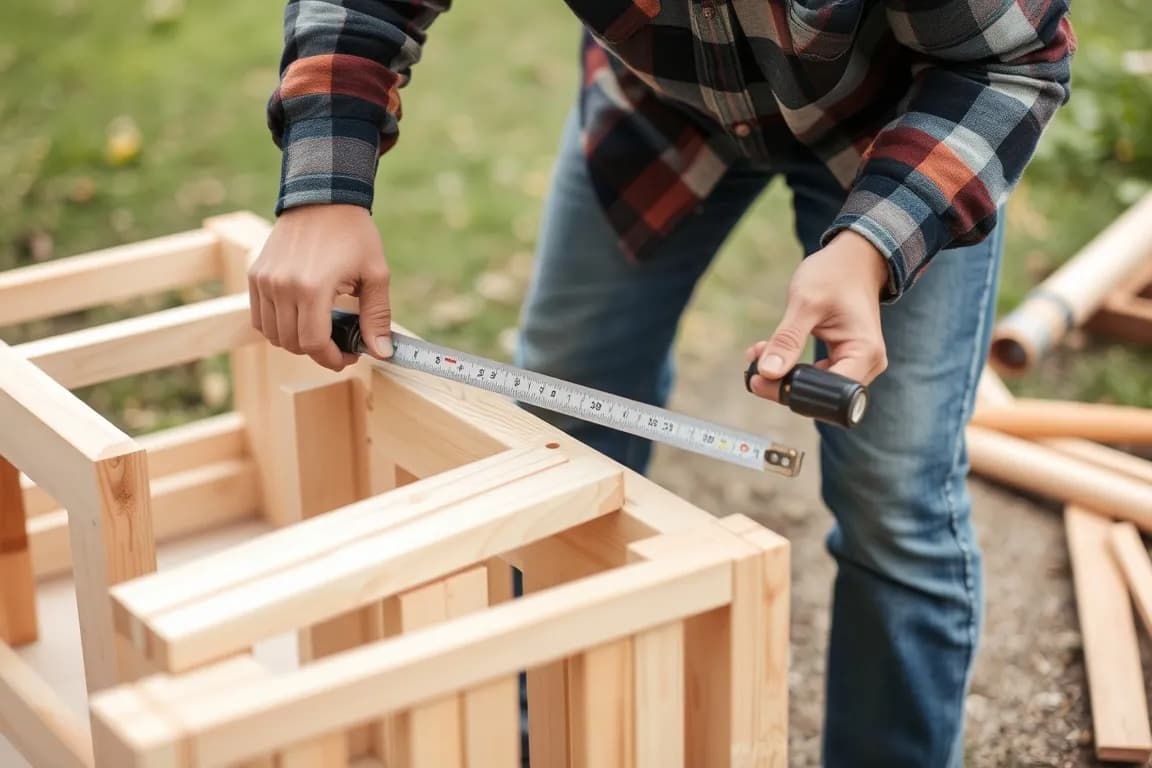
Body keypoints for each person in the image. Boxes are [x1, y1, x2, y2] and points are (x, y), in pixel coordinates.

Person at [249, 1, 1075, 765]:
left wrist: (871, 245)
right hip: (663, 108)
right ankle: (544, 738)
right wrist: (324, 186)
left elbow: (1011, 61)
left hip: (908, 128)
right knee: (554, 441)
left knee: (895, 500)